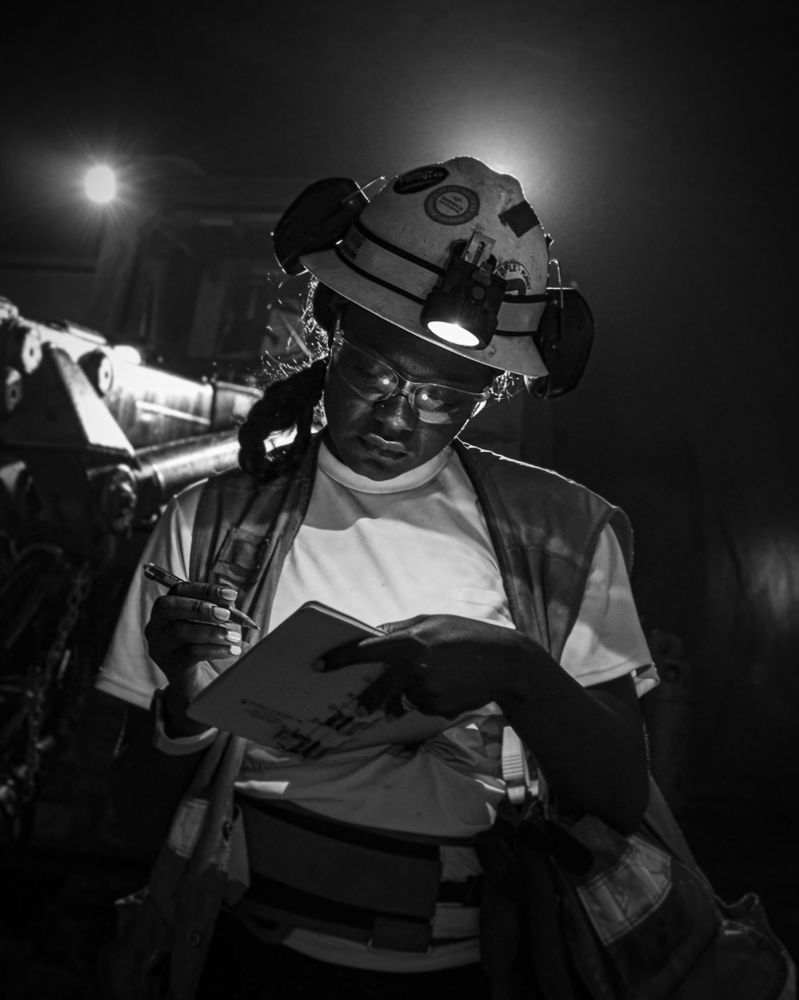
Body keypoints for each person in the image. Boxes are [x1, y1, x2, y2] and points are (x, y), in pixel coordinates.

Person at [97, 156, 658, 1000]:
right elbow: (124, 815)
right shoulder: (208, 523)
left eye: (444, 397)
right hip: (240, 955)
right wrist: (183, 702)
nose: (398, 415)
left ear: (488, 391)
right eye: (374, 373)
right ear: (330, 339)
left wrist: (513, 668)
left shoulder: (563, 536)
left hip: (474, 969)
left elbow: (619, 793)